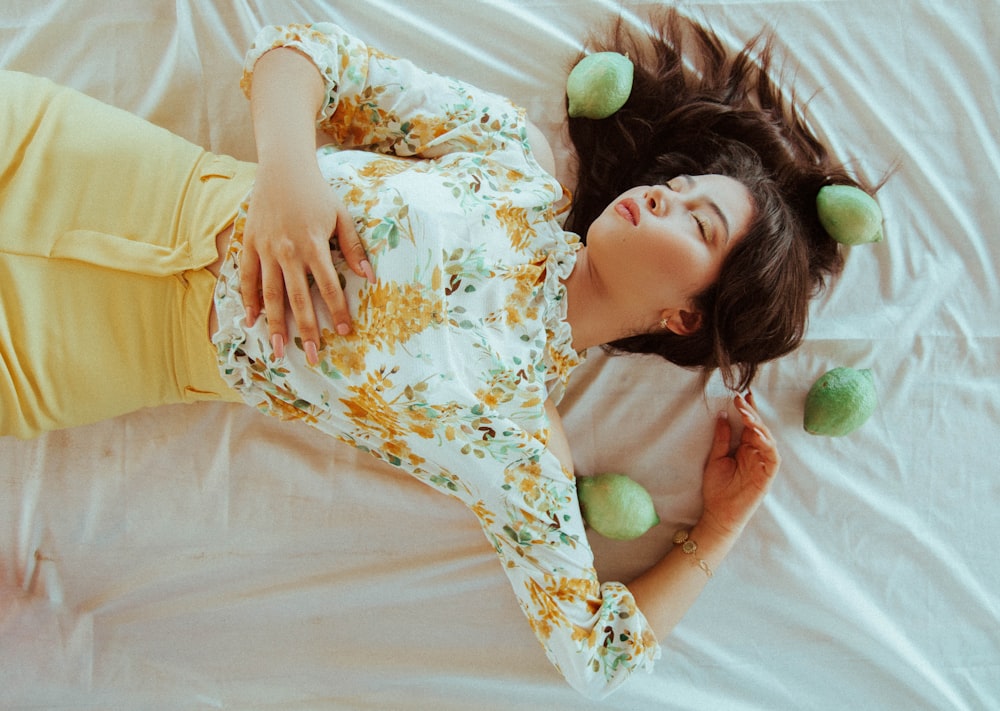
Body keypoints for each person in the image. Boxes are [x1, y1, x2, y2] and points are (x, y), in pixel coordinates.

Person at [0, 10, 874, 699]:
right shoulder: (509, 163)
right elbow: (299, 53)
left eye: (698, 222)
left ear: (685, 316)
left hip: (60, 357)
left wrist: (719, 529)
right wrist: (289, 176)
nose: (663, 198)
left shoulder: (521, 445)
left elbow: (599, 658)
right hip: (72, 157)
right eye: (680, 184)